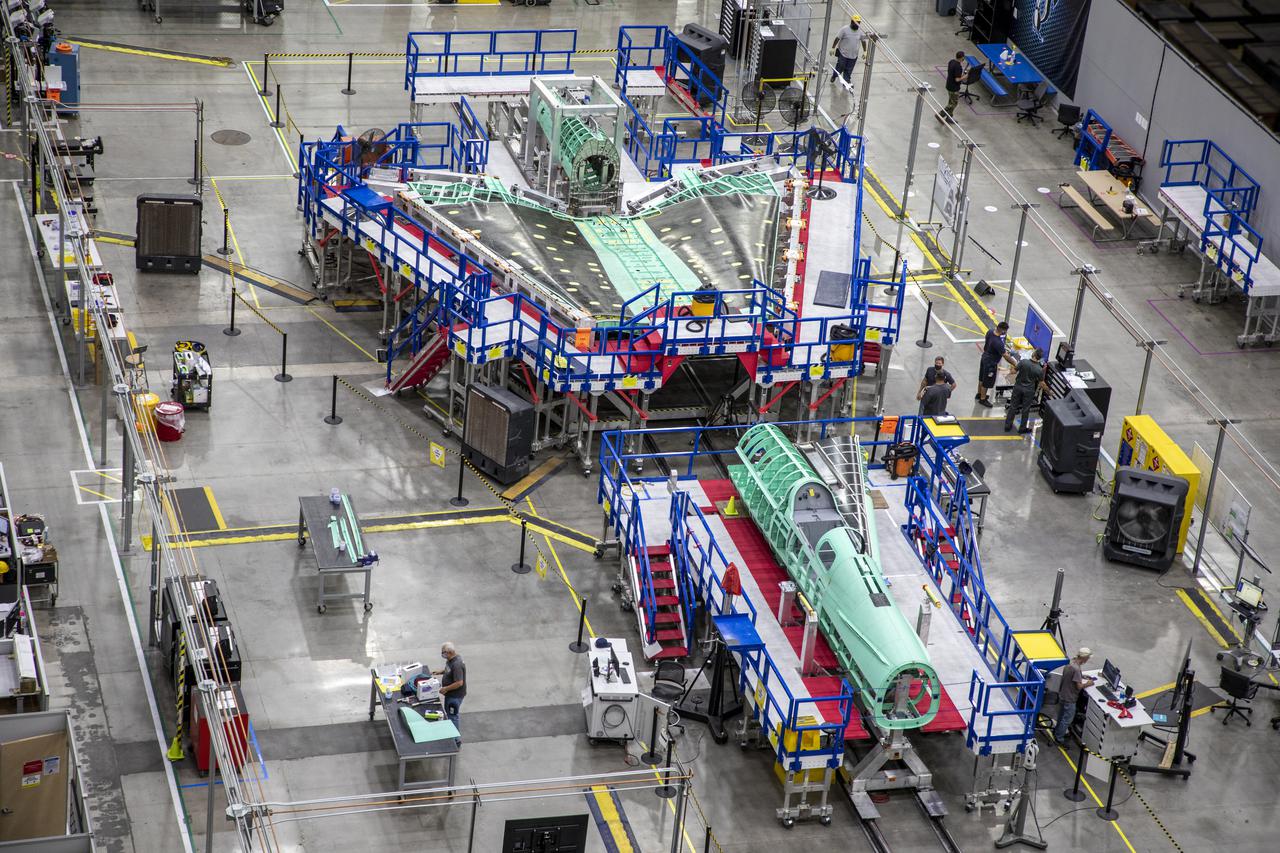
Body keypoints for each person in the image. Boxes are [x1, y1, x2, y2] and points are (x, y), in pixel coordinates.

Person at [1053, 648, 1095, 742]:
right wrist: (1088, 683)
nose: (1087, 660)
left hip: (1063, 694)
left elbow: (1071, 676)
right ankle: (1059, 738)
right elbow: (1079, 687)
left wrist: (1081, 676)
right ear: (1084, 658)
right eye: (1087, 658)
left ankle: (1057, 732)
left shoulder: (1071, 663)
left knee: (1061, 716)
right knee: (1067, 719)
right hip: (1070, 698)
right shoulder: (1076, 669)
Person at [1004, 347, 1050, 433]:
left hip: (1018, 387)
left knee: (1013, 406)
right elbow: (1041, 383)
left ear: (1033, 354)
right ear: (1039, 358)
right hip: (1029, 390)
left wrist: (1012, 367)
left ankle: (1007, 426)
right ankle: (1022, 428)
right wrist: (1049, 391)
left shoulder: (1024, 362)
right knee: (1026, 409)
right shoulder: (1039, 369)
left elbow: (1013, 371)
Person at [976, 322, 1018, 408]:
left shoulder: (990, 332)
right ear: (1003, 330)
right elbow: (1006, 356)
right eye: (1005, 331)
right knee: (987, 381)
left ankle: (979, 394)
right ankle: (983, 399)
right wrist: (1015, 363)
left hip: (984, 357)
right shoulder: (998, 342)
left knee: (981, 377)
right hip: (991, 362)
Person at [435, 642, 467, 728]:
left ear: (449, 652)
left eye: (443, 652)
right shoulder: (450, 660)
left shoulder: (457, 664)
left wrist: (445, 688)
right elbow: (449, 670)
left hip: (455, 696)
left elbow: (459, 683)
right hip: (450, 694)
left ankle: (456, 740)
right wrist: (440, 672)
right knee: (448, 713)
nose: (442, 654)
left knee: (453, 716)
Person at [830, 17, 866, 85]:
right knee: (840, 66)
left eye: (858, 23)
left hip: (853, 55)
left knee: (849, 70)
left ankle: (846, 81)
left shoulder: (860, 31)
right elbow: (837, 38)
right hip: (843, 54)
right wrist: (833, 48)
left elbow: (863, 41)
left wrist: (865, 51)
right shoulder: (844, 29)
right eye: (856, 23)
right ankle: (834, 76)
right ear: (852, 22)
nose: (857, 24)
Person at [939, 51, 967, 123]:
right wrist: (965, 76)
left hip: (949, 84)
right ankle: (941, 114)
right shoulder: (958, 67)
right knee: (953, 103)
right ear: (962, 57)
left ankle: (949, 117)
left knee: (951, 101)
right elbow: (957, 79)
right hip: (954, 88)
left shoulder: (951, 62)